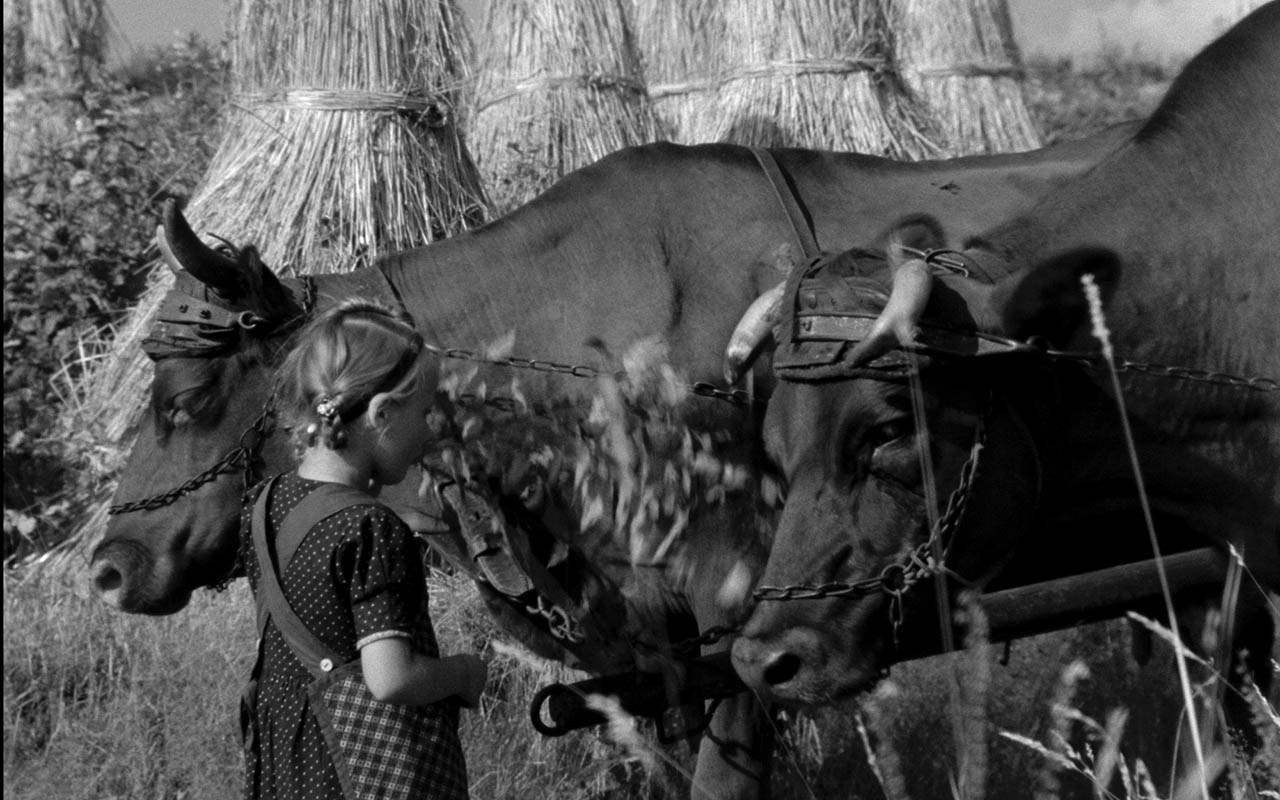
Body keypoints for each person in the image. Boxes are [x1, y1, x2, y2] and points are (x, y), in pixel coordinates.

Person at [239, 299, 487, 800]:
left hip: (286, 769)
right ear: (383, 413)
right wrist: (461, 673)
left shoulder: (263, 505)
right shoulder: (371, 529)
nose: (430, 429)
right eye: (424, 412)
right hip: (358, 775)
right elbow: (391, 679)